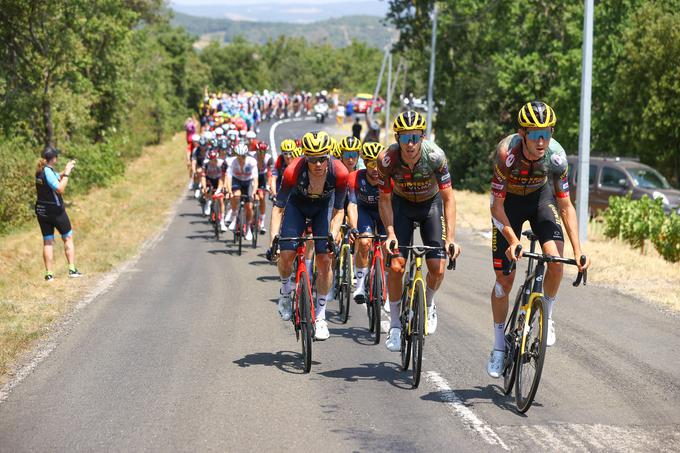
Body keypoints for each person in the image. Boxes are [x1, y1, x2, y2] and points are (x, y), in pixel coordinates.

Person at [485, 101, 591, 378]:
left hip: (540, 201)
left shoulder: (556, 157)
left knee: (556, 262)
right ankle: (498, 347)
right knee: (504, 281)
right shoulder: (506, 154)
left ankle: (548, 316)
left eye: (547, 132)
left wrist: (579, 251)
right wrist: (512, 239)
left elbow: (566, 206)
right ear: (523, 134)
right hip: (509, 207)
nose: (542, 140)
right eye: (535, 134)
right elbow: (496, 207)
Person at [377, 111, 461, 351]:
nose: (410, 144)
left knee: (438, 266)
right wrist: (390, 233)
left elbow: (449, 199)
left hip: (430, 206)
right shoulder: (387, 159)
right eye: (405, 138)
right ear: (397, 138)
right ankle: (394, 326)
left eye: (415, 137)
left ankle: (429, 303)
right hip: (401, 206)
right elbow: (383, 199)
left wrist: (452, 238)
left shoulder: (435, 157)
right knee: (396, 266)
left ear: (422, 137)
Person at [269, 131, 348, 341]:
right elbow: (278, 208)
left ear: (329, 156)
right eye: (313, 159)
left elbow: (339, 210)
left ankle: (321, 317)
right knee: (286, 254)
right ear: (305, 157)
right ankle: (286, 291)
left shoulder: (339, 172)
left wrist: (333, 233)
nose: (318, 164)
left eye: (323, 158)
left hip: (324, 208)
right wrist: (273, 240)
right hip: (297, 207)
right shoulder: (292, 171)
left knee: (325, 260)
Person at [35, 147, 81, 281]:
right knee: (67, 238)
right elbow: (60, 188)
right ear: (54, 158)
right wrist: (66, 174)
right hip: (55, 211)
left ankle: (49, 274)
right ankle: (72, 269)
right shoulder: (48, 172)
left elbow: (52, 178)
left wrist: (66, 170)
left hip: (42, 211)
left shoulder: (40, 170)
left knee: (47, 241)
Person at [347, 142, 386, 305]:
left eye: (378, 164)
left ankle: (388, 290)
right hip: (364, 211)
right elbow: (352, 205)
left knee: (389, 247)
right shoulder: (355, 177)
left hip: (384, 212)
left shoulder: (390, 177)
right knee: (364, 242)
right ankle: (361, 286)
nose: (375, 169)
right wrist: (354, 228)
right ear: (364, 162)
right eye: (371, 163)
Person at [225, 142, 258, 241]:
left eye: (243, 156)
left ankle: (248, 228)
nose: (241, 158)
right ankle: (234, 216)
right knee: (236, 195)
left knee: (249, 207)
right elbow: (228, 177)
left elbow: (255, 179)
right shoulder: (232, 162)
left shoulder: (252, 162)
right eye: (239, 156)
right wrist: (229, 191)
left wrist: (254, 192)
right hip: (237, 181)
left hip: (247, 182)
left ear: (246, 155)